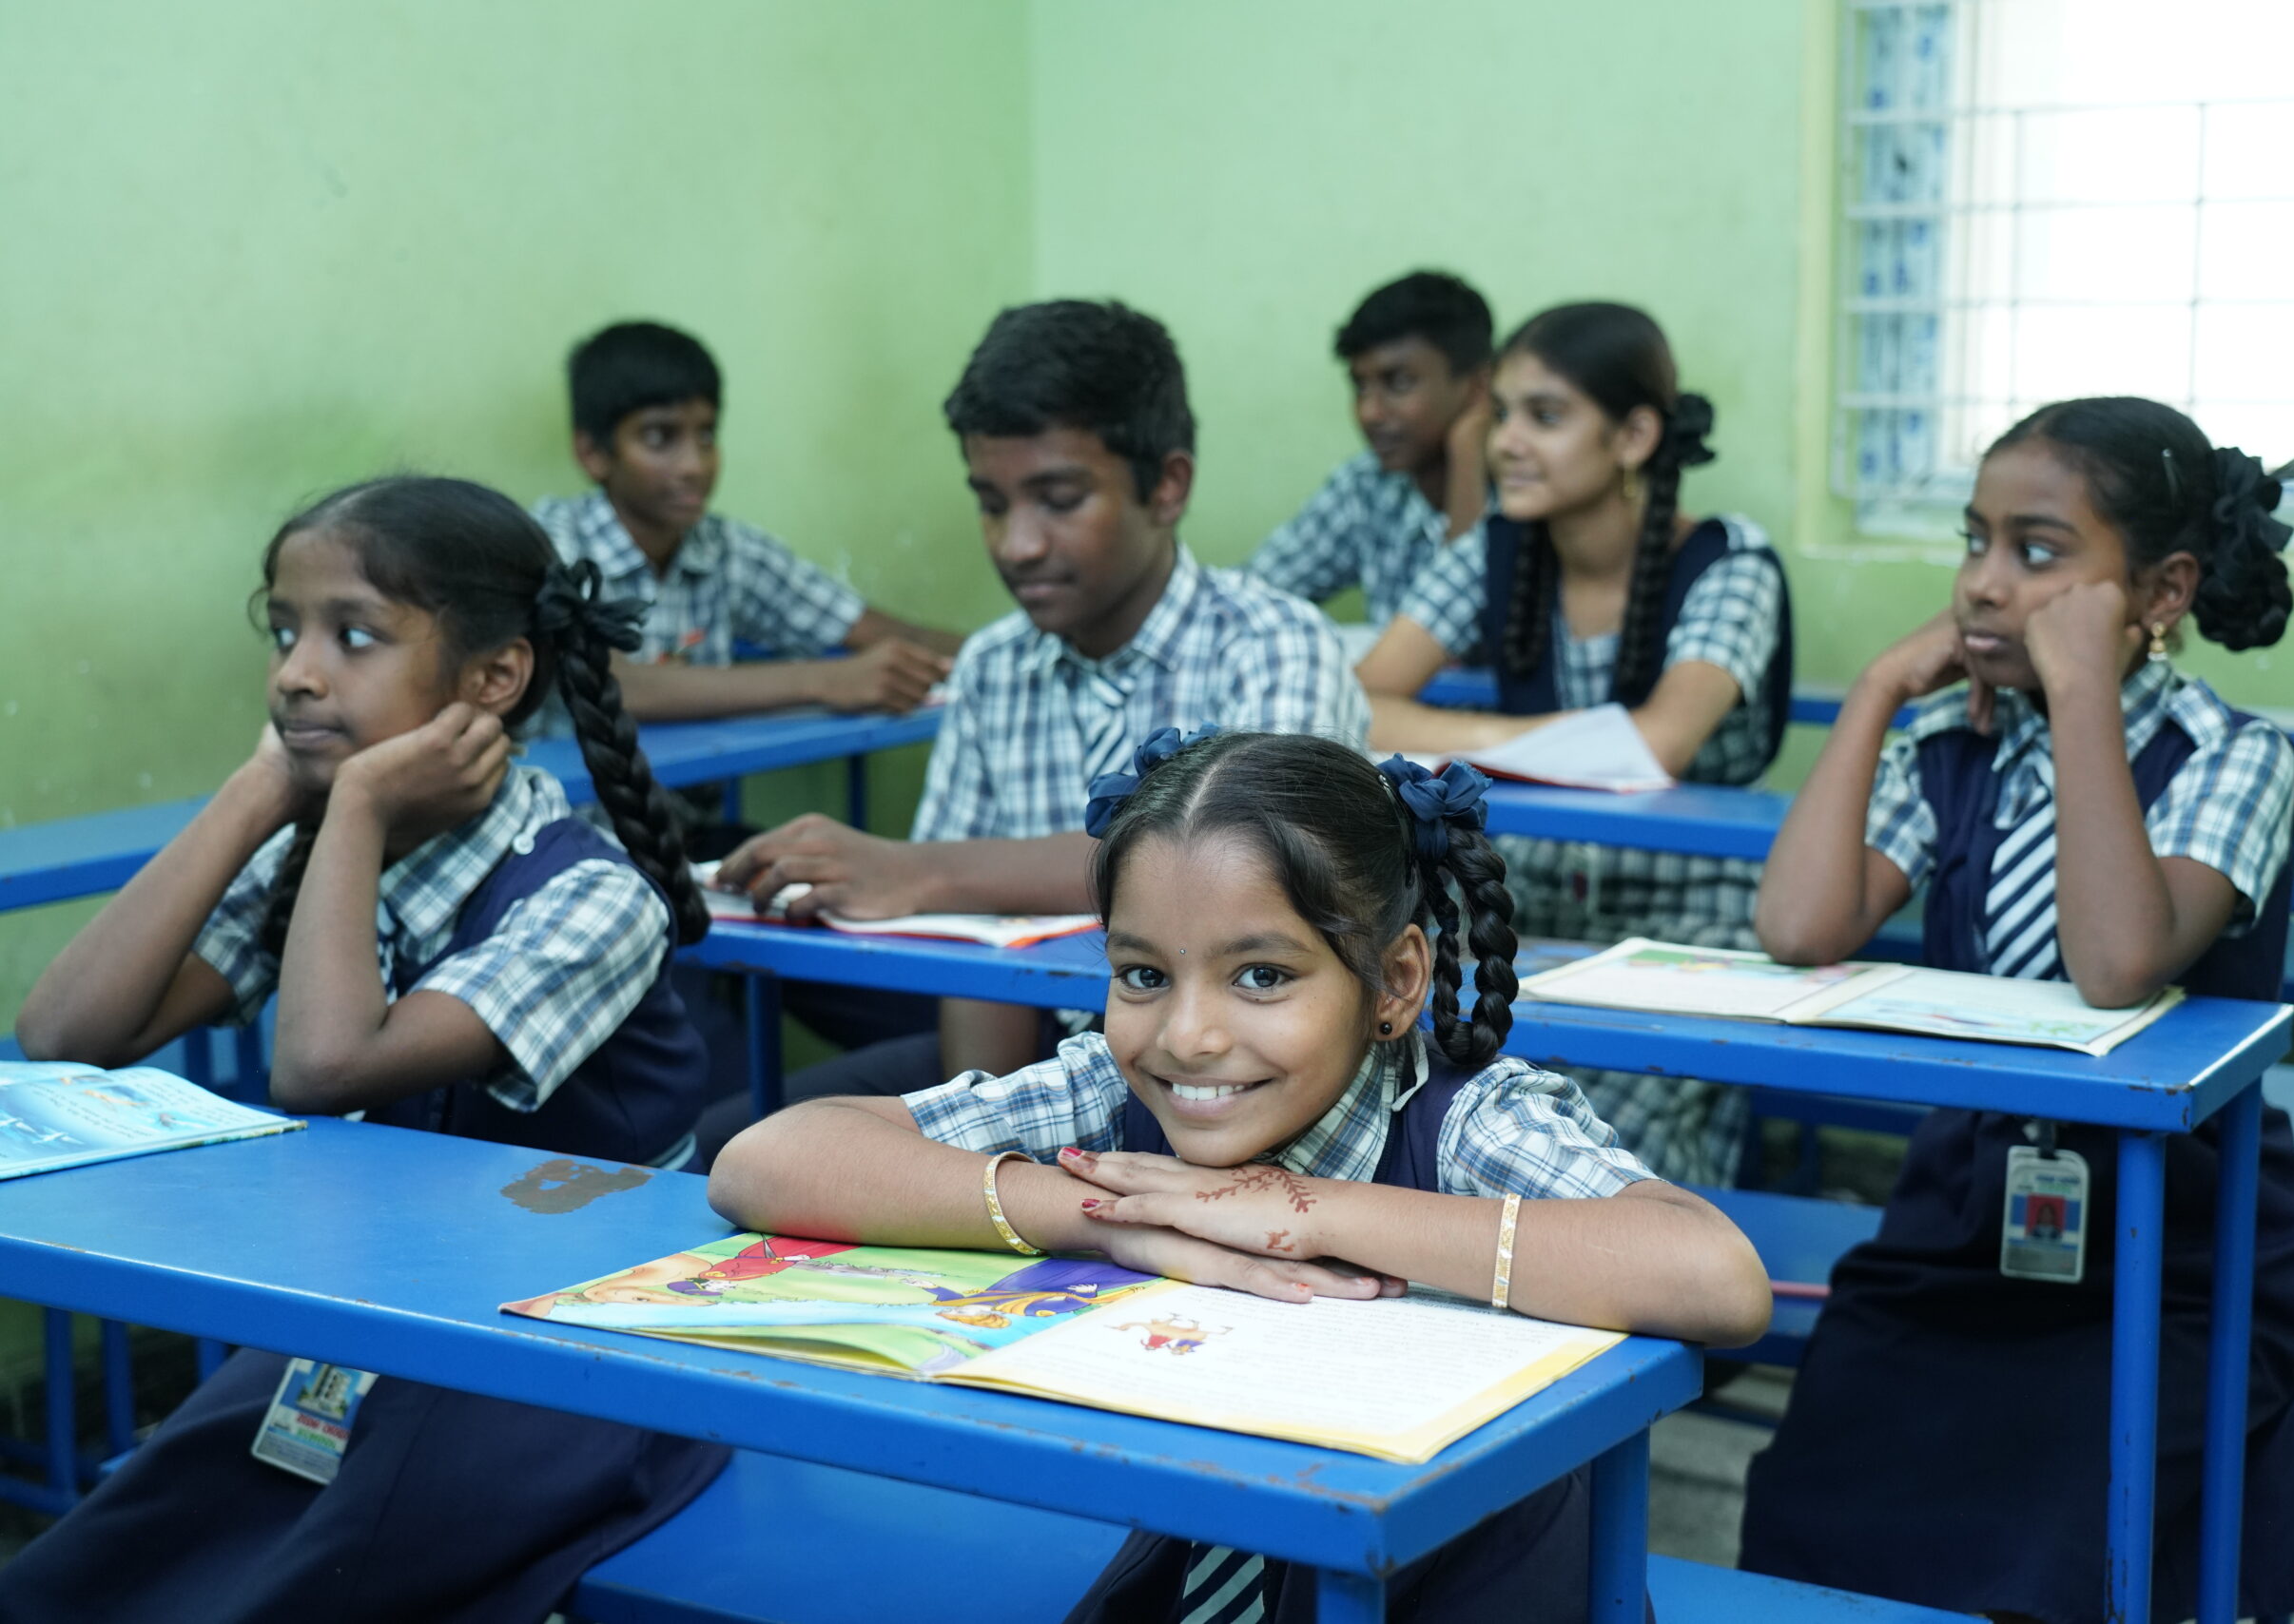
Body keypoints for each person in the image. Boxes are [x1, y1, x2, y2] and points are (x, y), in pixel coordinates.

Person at [708, 727, 1770, 1624]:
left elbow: (1712, 1274)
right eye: (1141, 974)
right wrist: (1104, 1220)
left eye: (1262, 975)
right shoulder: (1121, 1093)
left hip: (1467, 1589)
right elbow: (766, 1160)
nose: (1188, 1033)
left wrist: (1299, 1211)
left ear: (1395, 980)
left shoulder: (1461, 1119)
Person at [9, 475, 728, 1624]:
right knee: (115, 1550)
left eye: (352, 636)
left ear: (495, 679)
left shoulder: (589, 893)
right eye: (283, 629)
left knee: (303, 1583)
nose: (296, 671)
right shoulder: (326, 855)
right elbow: (65, 1033)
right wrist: (260, 789)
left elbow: (325, 1065)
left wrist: (348, 809)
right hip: (387, 1312)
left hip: (579, 1342)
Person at [1738, 397, 2294, 1622]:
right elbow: (1800, 926)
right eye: (1973, 542)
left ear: (2161, 592)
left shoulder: (2233, 757)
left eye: (2037, 552)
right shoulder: (1953, 746)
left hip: (2182, 1240)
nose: (1981, 585)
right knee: (1822, 1487)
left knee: (2059, 1534)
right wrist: (1872, 694)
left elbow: (2118, 960)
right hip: (1963, 1220)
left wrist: (2078, 695)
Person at [701, 300, 1369, 1136]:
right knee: (736, 1141)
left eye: (1058, 498)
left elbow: (1243, 877)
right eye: (991, 501)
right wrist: (988, 1136)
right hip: (1052, 1081)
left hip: (1244, 1081)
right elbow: (970, 952)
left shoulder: (1275, 645)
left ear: (1167, 486)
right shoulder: (992, 665)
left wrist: (922, 869)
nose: (1017, 544)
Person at [1355, 302, 1791, 1184]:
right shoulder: (1498, 549)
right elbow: (1360, 701)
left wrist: (1466, 743)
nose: (1508, 441)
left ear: (1633, 435)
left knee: (1604, 1148)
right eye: (1504, 413)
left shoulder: (1728, 562)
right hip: (1522, 906)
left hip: (1687, 913)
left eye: (1545, 416)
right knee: (1425, 1107)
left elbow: (1658, 746)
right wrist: (1542, 741)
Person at [533, 319, 959, 727]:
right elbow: (619, 685)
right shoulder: (553, 543)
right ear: (593, 453)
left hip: (685, 805)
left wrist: (1008, 651)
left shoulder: (725, 550)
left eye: (706, 435)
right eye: (660, 437)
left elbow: (868, 628)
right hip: (575, 804)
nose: (694, 465)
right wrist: (826, 680)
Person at [1246, 271, 1495, 633]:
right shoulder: (1365, 486)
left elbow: (1474, 638)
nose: (1370, 413)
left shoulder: (1531, 486)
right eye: (1360, 387)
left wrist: (1468, 454)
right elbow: (1250, 596)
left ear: (1478, 387)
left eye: (1399, 383)